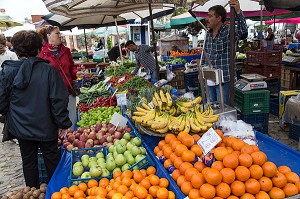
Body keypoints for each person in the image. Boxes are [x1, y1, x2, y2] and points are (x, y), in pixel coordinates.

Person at [0, 30, 72, 188]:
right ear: (39, 49)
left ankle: (31, 192)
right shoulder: (49, 71)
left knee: (29, 161)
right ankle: (56, 192)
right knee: (52, 160)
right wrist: (63, 124)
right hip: (46, 127)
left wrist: (11, 116)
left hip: (21, 128)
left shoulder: (8, 71)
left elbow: (2, 102)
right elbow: (58, 100)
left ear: (16, 50)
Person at [203, 1, 248, 105]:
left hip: (224, 80)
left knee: (223, 110)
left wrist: (238, 11)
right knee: (211, 108)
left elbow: (243, 31)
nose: (206, 19)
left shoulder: (228, 31)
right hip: (210, 78)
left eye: (210, 16)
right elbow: (205, 54)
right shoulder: (208, 34)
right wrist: (202, 71)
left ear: (219, 18)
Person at [38, 26, 78, 130]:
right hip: (53, 94)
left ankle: (72, 139)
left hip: (68, 90)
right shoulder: (43, 54)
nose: (60, 36)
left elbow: (72, 67)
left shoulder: (66, 51)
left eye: (60, 33)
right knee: (57, 120)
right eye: (57, 33)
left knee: (72, 118)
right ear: (48, 35)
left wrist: (76, 73)